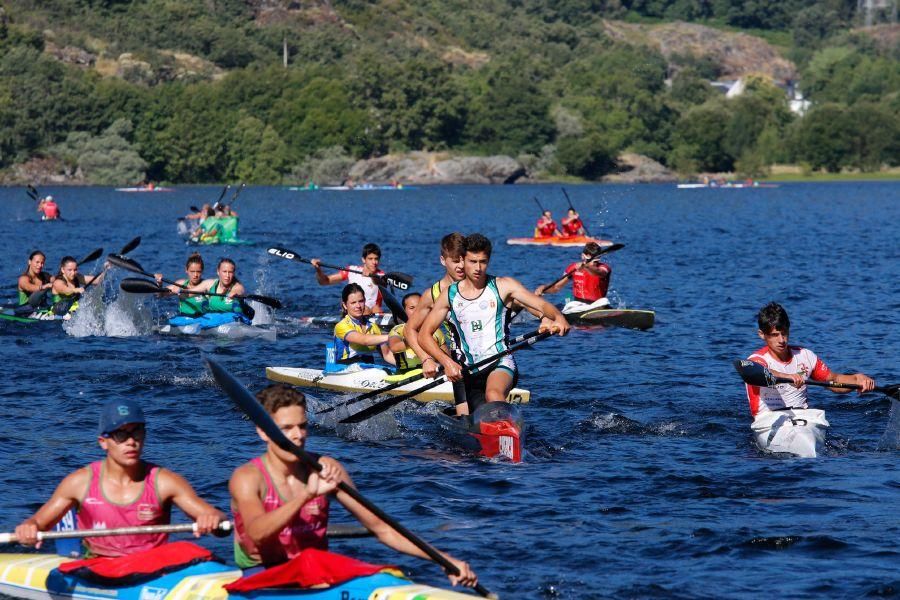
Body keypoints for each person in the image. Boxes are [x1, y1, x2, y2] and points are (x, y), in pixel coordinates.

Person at [229, 384, 477, 587]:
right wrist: (306, 495)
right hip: (262, 576)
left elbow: (382, 528)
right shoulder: (248, 478)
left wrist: (444, 560)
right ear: (263, 432)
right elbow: (256, 533)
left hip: (316, 575)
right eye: (286, 429)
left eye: (302, 426)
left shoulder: (326, 468)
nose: (298, 436)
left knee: (388, 576)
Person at [14, 399, 224, 557]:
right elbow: (38, 522)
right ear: (103, 442)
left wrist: (213, 519)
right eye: (121, 435)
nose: (131, 442)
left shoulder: (165, 482)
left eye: (137, 432)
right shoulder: (79, 483)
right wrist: (28, 529)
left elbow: (216, 519)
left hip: (152, 567)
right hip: (98, 565)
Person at [419, 234, 570, 415]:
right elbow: (423, 335)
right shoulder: (449, 295)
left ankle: (504, 428)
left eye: (483, 262)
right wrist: (446, 362)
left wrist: (558, 317)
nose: (478, 268)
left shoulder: (503, 286)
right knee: (474, 417)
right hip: (468, 371)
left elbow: (541, 304)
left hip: (500, 361)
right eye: (473, 261)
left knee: (493, 394)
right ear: (462, 260)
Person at [744, 302, 875, 419]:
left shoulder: (805, 356)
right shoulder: (756, 360)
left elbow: (833, 381)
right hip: (768, 420)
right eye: (775, 335)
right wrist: (788, 376)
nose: (781, 340)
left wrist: (857, 379)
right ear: (761, 334)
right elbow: (761, 372)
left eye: (784, 333)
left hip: (803, 418)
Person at [402, 233, 468, 411]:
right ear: (442, 260)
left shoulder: (478, 284)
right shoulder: (432, 294)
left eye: (464, 260)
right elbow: (409, 330)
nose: (461, 266)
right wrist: (426, 359)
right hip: (458, 365)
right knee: (466, 418)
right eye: (455, 261)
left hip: (485, 359)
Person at [332, 283, 395, 367]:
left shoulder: (373, 327)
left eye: (361, 301)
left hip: (368, 368)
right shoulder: (341, 326)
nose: (358, 306)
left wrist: (406, 365)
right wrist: (394, 335)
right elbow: (364, 340)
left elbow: (387, 354)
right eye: (353, 303)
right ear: (345, 305)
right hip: (345, 369)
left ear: (365, 301)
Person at [536, 242, 611, 311]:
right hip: (578, 306)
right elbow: (556, 287)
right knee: (568, 301)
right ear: (583, 256)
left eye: (596, 261)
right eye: (590, 260)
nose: (593, 264)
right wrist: (544, 288)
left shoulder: (604, 268)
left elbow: (600, 273)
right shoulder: (573, 267)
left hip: (597, 305)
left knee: (604, 301)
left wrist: (586, 267)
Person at [311, 243, 384, 314]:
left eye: (376, 259)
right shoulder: (351, 270)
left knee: (376, 309)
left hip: (374, 312)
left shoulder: (381, 275)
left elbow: (379, 282)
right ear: (363, 259)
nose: (374, 262)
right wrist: (318, 270)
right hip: (353, 311)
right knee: (366, 309)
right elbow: (324, 281)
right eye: (370, 259)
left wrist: (372, 275)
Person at [387, 293, 448, 374]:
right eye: (412, 308)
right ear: (404, 310)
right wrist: (415, 339)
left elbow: (447, 356)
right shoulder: (398, 330)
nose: (416, 311)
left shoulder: (436, 332)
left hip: (432, 372)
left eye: (420, 307)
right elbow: (394, 347)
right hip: (405, 375)